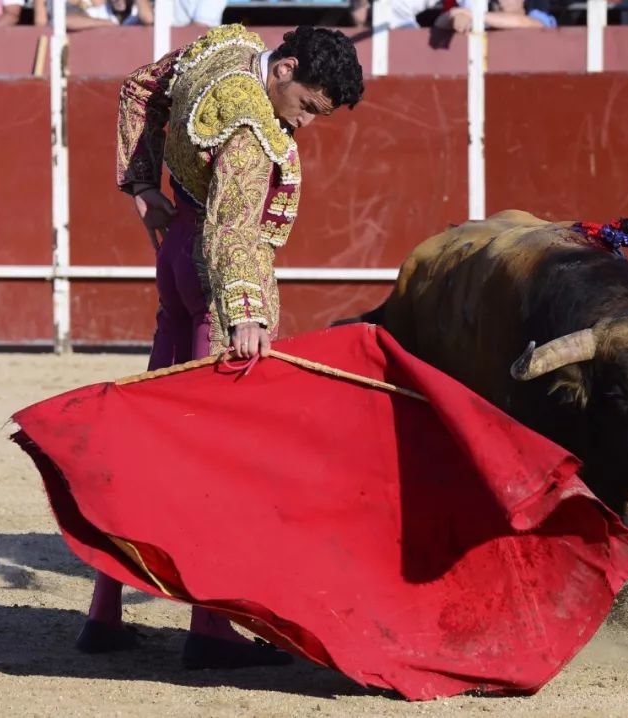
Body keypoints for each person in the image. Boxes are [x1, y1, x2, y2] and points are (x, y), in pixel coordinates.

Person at [77, 24, 364, 669]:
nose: (307, 124)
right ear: (286, 68)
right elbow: (235, 227)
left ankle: (104, 611)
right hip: (213, 277)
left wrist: (144, 183)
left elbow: (139, 86)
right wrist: (246, 312)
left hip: (176, 252)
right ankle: (210, 630)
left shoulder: (224, 50)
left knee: (147, 436)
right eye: (309, 105)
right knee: (221, 458)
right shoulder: (252, 126)